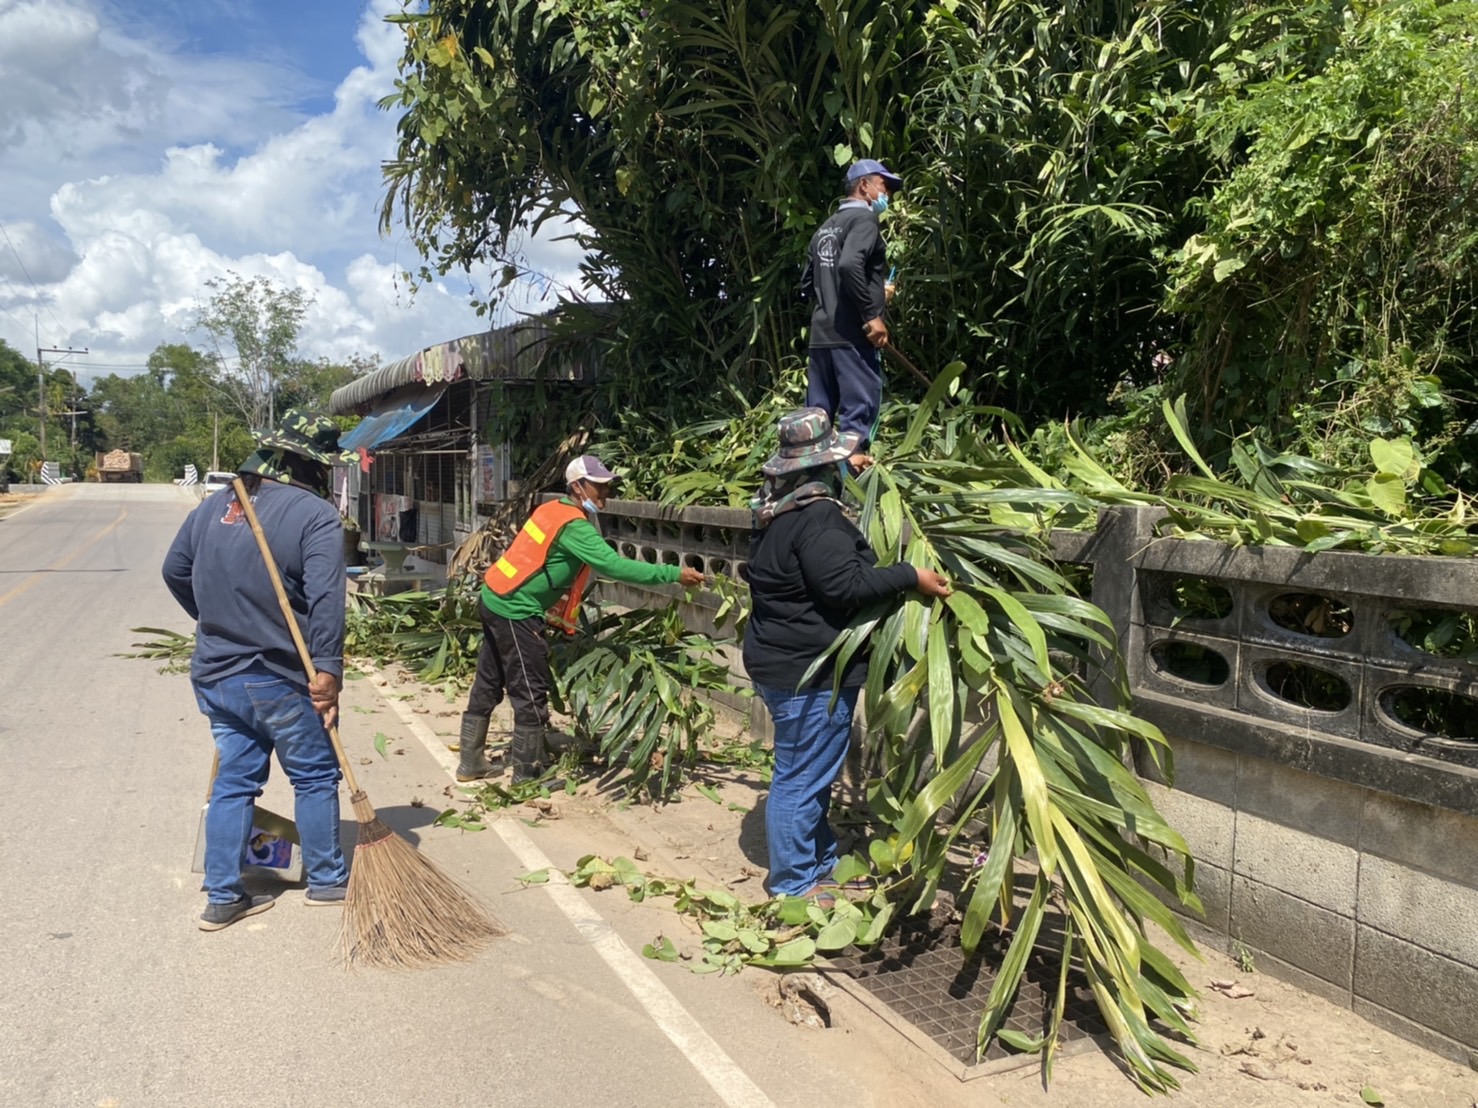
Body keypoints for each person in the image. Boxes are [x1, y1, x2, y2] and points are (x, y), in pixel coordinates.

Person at [742, 408, 951, 901]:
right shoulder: (819, 520)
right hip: (808, 674)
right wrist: (910, 575)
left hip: (778, 662)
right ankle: (794, 886)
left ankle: (820, 861)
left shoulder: (777, 512)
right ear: (825, 465)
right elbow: (845, 586)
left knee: (806, 770)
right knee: (801, 777)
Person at [162, 409, 358, 931]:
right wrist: (328, 672)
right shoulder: (314, 514)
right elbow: (326, 603)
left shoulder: (214, 506)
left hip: (216, 675)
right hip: (277, 675)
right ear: (310, 464)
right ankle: (326, 880)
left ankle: (224, 898)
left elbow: (173, 571)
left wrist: (214, 620)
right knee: (315, 775)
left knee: (234, 781)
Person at [457, 455, 706, 784]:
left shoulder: (550, 510)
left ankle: (470, 761)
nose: (605, 494)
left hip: (494, 596)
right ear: (577, 487)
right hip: (516, 609)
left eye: (607, 487)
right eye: (598, 486)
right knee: (530, 690)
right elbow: (615, 567)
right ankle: (528, 774)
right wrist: (673, 572)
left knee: (489, 680)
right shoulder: (574, 526)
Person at [800, 158, 903, 458]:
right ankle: (852, 496)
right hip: (852, 338)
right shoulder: (864, 220)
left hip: (821, 338)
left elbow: (810, 282)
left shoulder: (824, 229)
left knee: (815, 424)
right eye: (885, 186)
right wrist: (872, 314)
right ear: (864, 186)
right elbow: (848, 265)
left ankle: (812, 492)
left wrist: (876, 293)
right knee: (856, 423)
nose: (888, 196)